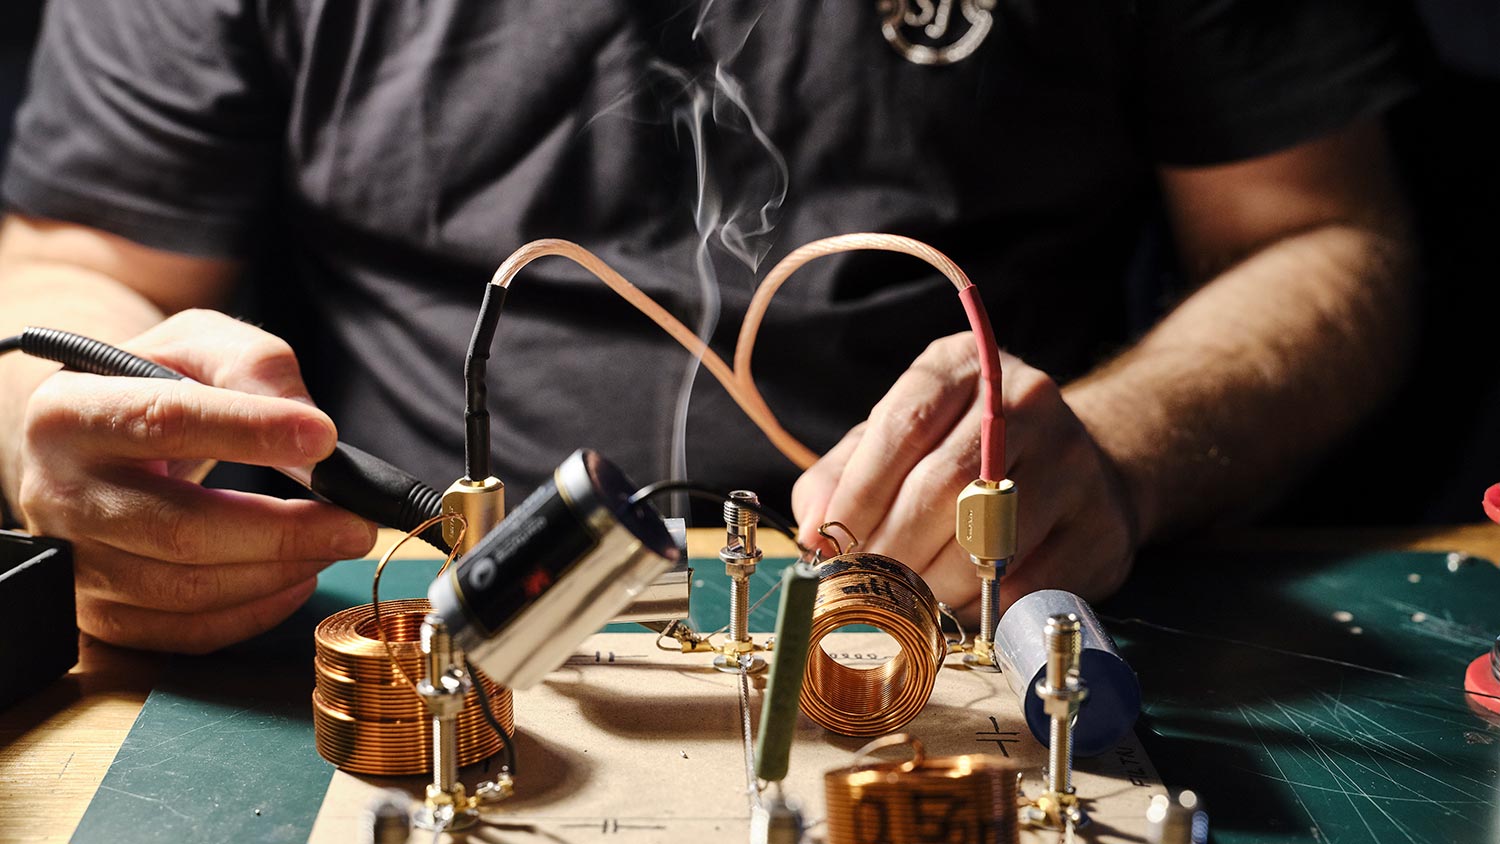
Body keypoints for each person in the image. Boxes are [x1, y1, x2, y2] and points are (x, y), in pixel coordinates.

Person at [0, 1, 1415, 653]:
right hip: (411, 601)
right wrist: (67, 430)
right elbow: (64, 265)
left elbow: (1324, 234)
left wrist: (1122, 446)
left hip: (973, 602)